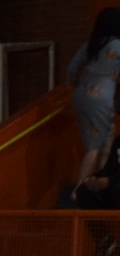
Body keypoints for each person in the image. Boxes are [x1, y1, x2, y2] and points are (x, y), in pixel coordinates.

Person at [72, 9, 120, 192]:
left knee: (106, 136)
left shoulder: (91, 44)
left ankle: (98, 182)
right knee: (95, 145)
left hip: (81, 95)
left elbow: (71, 69)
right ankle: (79, 191)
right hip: (102, 96)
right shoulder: (118, 45)